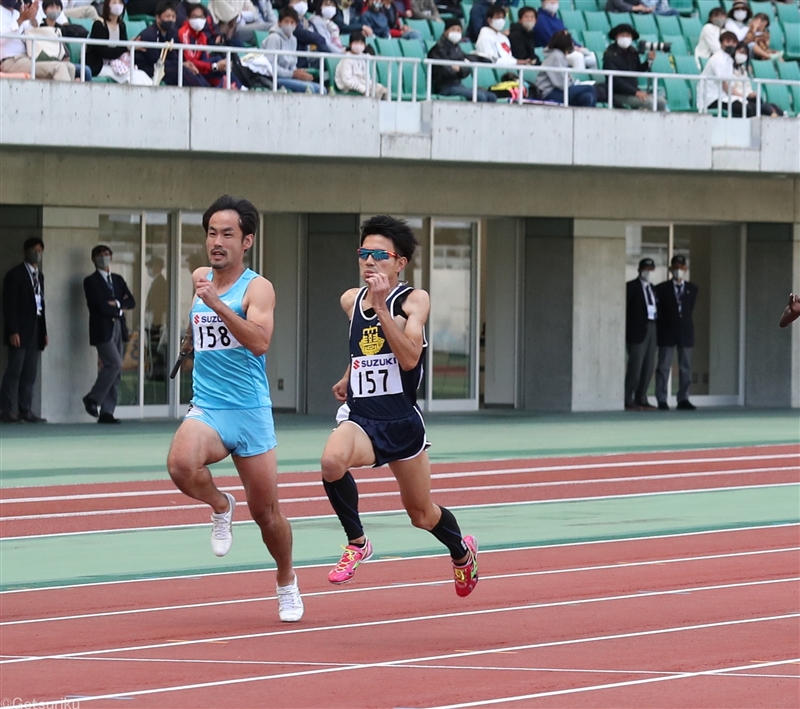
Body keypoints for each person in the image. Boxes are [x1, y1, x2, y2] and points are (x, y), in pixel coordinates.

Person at [320, 215, 479, 597]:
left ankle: (462, 552)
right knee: (331, 461)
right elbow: (365, 348)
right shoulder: (350, 300)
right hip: (362, 418)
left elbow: (408, 358)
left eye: (379, 255)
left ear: (399, 262)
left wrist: (382, 307)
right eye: (364, 254)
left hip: (402, 423)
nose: (369, 262)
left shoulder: (413, 300)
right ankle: (357, 543)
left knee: (421, 514)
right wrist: (349, 374)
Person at [166, 194, 304, 623]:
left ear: (247, 241)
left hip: (250, 411)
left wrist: (217, 306)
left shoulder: (258, 288)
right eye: (212, 233)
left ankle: (286, 580)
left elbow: (260, 341)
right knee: (180, 465)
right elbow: (202, 322)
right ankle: (221, 505)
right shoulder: (200, 277)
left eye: (228, 234)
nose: (217, 241)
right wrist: (194, 333)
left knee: (267, 515)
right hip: (209, 406)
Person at [82, 244, 136, 424]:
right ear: (94, 259)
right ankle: (92, 398)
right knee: (114, 363)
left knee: (116, 370)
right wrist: (118, 307)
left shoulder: (118, 280)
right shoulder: (91, 281)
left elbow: (132, 301)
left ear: (111, 257)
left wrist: (117, 304)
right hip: (102, 329)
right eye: (100, 255)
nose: (104, 257)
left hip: (119, 328)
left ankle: (107, 412)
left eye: (106, 254)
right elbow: (98, 305)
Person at [1, 238, 48, 424]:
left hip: (35, 328)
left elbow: (41, 305)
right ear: (26, 251)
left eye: (40, 250)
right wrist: (13, 330)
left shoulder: (40, 276)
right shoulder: (15, 274)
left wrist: (44, 332)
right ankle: (7, 410)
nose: (37, 253)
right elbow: (9, 305)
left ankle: (25, 409)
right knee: (15, 370)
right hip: (20, 329)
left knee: (30, 372)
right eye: (34, 249)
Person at [654, 255, 698, 411]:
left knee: (685, 367)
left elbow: (689, 309)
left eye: (681, 267)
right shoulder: (661, 288)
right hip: (667, 332)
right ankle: (661, 399)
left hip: (685, 332)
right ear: (671, 269)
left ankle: (683, 398)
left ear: (685, 269)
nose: (678, 270)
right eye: (675, 267)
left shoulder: (692, 289)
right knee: (664, 366)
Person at [699, 35, 782, 117]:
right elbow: (725, 85)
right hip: (713, 99)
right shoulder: (718, 59)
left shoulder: (728, 60)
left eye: (734, 42)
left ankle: (775, 113)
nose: (731, 45)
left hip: (726, 97)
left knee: (754, 104)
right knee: (746, 108)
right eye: (728, 42)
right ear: (721, 43)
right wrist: (743, 97)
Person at [0, 0, 75, 80]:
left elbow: (32, 32)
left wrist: (32, 19)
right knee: (59, 67)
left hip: (28, 57)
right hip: (11, 60)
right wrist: (20, 20)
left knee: (70, 67)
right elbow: (2, 38)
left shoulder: (17, 14)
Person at [428, 17, 497, 101]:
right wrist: (460, 69)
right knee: (480, 96)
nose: (456, 32)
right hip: (445, 88)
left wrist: (459, 69)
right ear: (445, 31)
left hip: (458, 86)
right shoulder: (438, 49)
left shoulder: (457, 49)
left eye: (458, 30)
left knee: (491, 96)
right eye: (453, 29)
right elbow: (445, 71)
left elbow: (466, 69)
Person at [87, 0, 152, 85]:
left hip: (117, 64)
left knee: (141, 74)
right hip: (100, 66)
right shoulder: (99, 25)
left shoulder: (121, 25)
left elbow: (123, 48)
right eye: (114, 2)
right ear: (107, 5)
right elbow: (104, 52)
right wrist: (127, 46)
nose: (118, 5)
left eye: (120, 3)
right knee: (131, 77)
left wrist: (131, 45)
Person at [603, 24, 666, 111]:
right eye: (622, 35)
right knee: (648, 103)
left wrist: (649, 61)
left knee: (661, 102)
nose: (625, 38)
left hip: (633, 91)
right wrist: (635, 92)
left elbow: (638, 70)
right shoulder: (610, 54)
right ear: (616, 37)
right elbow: (615, 80)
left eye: (628, 36)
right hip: (618, 93)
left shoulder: (632, 52)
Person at [263, 6, 324, 92]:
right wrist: (293, 74)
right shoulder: (274, 38)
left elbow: (292, 65)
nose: (289, 25)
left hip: (289, 77)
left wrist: (300, 74)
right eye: (286, 22)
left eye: (292, 22)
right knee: (310, 89)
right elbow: (270, 66)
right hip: (275, 78)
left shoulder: (293, 40)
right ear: (279, 23)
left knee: (321, 89)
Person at [625, 257, 658, 410]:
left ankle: (642, 397)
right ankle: (627, 398)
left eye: (650, 270)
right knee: (635, 366)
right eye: (646, 270)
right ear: (639, 270)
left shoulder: (653, 288)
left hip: (652, 327)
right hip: (637, 331)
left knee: (648, 365)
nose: (648, 273)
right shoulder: (630, 287)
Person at [536, 30, 596, 105]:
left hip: (559, 91)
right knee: (590, 88)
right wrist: (573, 84)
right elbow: (562, 84)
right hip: (550, 93)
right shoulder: (556, 56)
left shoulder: (558, 55)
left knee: (587, 97)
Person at [533, 0, 596, 69]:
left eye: (555, 2)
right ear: (543, 2)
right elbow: (550, 39)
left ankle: (597, 79)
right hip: (553, 52)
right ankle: (577, 78)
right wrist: (571, 48)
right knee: (578, 57)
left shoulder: (557, 20)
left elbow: (567, 36)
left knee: (592, 57)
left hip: (566, 50)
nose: (554, 4)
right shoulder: (540, 19)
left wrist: (578, 46)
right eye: (551, 2)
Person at [39, 0, 92, 80]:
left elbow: (83, 32)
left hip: (63, 62)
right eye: (51, 7)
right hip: (48, 63)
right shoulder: (40, 27)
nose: (55, 10)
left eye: (57, 8)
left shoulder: (60, 28)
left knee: (86, 71)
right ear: (44, 10)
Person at [178, 3, 229, 86]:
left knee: (222, 70)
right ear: (188, 18)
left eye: (201, 17)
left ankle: (236, 86)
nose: (198, 20)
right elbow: (191, 62)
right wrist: (214, 66)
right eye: (194, 17)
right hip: (188, 69)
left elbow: (205, 59)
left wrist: (217, 66)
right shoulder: (184, 32)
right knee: (217, 62)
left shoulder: (202, 36)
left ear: (205, 19)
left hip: (199, 69)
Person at [335, 31, 388, 96]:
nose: (358, 46)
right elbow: (346, 80)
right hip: (348, 88)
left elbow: (366, 78)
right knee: (375, 94)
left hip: (362, 84)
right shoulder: (347, 59)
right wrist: (363, 89)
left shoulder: (363, 57)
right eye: (356, 43)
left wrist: (374, 86)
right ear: (350, 44)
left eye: (361, 43)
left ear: (364, 45)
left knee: (383, 90)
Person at [145, 255, 168, 381]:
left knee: (156, 350)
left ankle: (158, 375)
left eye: (150, 266)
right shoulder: (157, 282)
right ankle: (155, 373)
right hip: (154, 321)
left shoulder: (160, 283)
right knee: (153, 350)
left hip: (156, 322)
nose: (149, 269)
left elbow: (159, 306)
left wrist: (155, 322)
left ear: (157, 267)